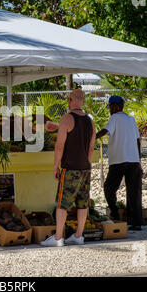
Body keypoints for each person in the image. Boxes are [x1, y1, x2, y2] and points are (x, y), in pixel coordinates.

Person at [41, 89, 95, 247]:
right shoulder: (90, 121)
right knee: (83, 203)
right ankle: (78, 235)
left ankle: (58, 238)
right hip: (86, 168)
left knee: (62, 203)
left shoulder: (66, 118)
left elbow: (59, 146)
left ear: (70, 101)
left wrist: (55, 166)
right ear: (82, 101)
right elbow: (91, 148)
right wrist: (86, 164)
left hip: (69, 168)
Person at [96, 95, 143, 230]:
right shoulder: (131, 119)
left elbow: (105, 131)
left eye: (110, 106)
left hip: (118, 160)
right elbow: (137, 141)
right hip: (133, 160)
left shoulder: (115, 118)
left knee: (109, 188)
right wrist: (139, 161)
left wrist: (91, 137)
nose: (109, 109)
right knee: (134, 192)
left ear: (116, 106)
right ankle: (136, 222)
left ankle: (115, 213)